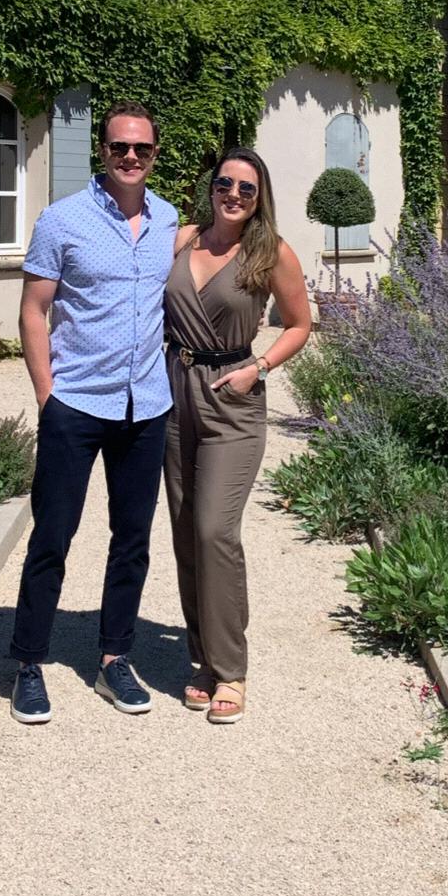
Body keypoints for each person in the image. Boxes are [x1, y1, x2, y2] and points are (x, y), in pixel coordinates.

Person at [8, 102, 178, 725]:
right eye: (119, 147)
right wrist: (46, 394)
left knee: (132, 541)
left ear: (155, 154)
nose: (130, 157)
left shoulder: (168, 219)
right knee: (53, 535)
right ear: (101, 152)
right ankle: (27, 662)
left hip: (146, 404)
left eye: (142, 149)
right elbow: (34, 309)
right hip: (76, 403)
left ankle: (114, 658)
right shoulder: (62, 220)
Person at [164, 147, 311, 724]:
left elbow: (300, 324)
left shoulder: (270, 252)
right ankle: (201, 658)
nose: (232, 194)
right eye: (225, 183)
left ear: (259, 199)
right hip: (174, 394)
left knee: (213, 529)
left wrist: (261, 367)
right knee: (182, 530)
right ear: (212, 186)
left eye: (246, 189)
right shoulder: (183, 239)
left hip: (232, 398)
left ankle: (231, 669)